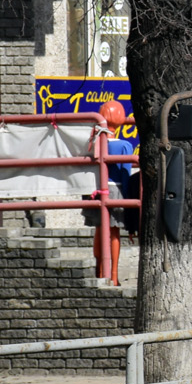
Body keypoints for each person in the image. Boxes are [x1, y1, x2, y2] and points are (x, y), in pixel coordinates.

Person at [85, 99, 134, 286]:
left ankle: (99, 271)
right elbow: (126, 173)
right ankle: (113, 275)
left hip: (95, 188)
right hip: (116, 189)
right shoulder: (124, 146)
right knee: (114, 233)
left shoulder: (93, 143)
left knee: (99, 230)